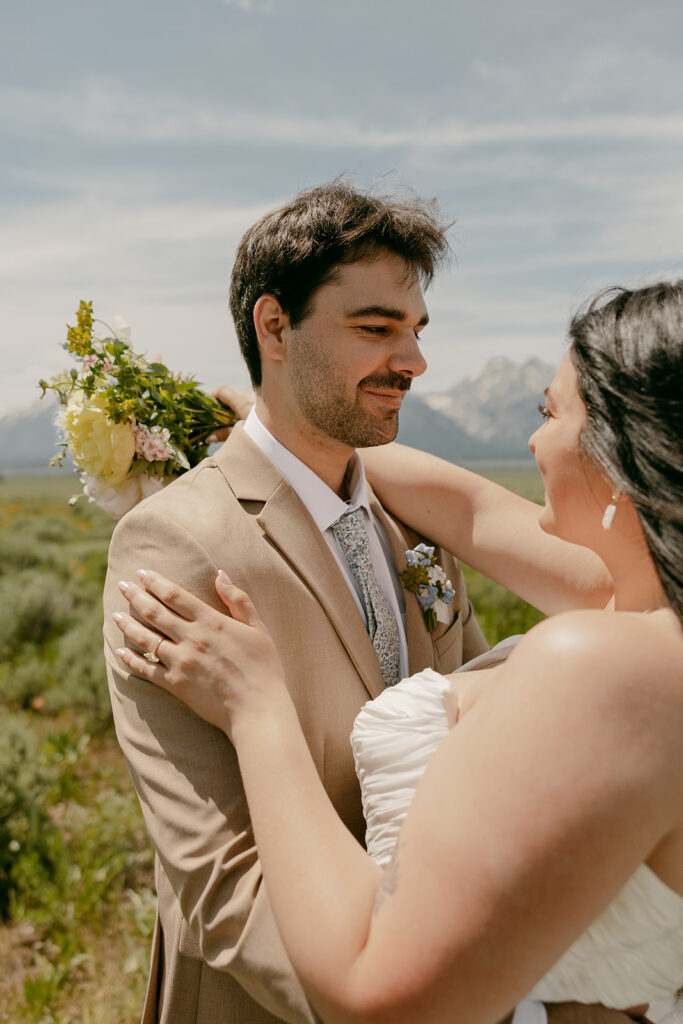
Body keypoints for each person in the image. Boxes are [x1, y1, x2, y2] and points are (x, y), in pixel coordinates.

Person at [112, 281, 683, 1024]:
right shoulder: (643, 611)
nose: (534, 441)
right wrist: (279, 430)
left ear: (620, 455)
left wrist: (258, 711)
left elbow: (374, 995)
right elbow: (472, 509)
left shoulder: (602, 661)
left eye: (549, 412)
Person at [104, 180, 533, 1024]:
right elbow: (220, 880)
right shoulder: (176, 543)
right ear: (274, 327)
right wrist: (419, 1001)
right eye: (376, 329)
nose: (411, 361)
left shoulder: (413, 521)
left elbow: (478, 746)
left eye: (414, 332)